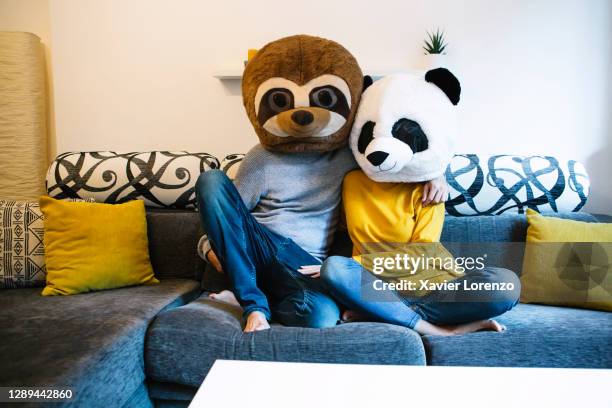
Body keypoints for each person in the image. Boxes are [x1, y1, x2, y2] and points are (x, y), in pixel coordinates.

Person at [308, 71, 520, 336]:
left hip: (433, 287)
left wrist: (438, 174)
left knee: (505, 285)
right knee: (335, 267)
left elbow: (424, 254)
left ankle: (391, 314)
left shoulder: (429, 187)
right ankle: (439, 329)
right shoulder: (351, 181)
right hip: (375, 288)